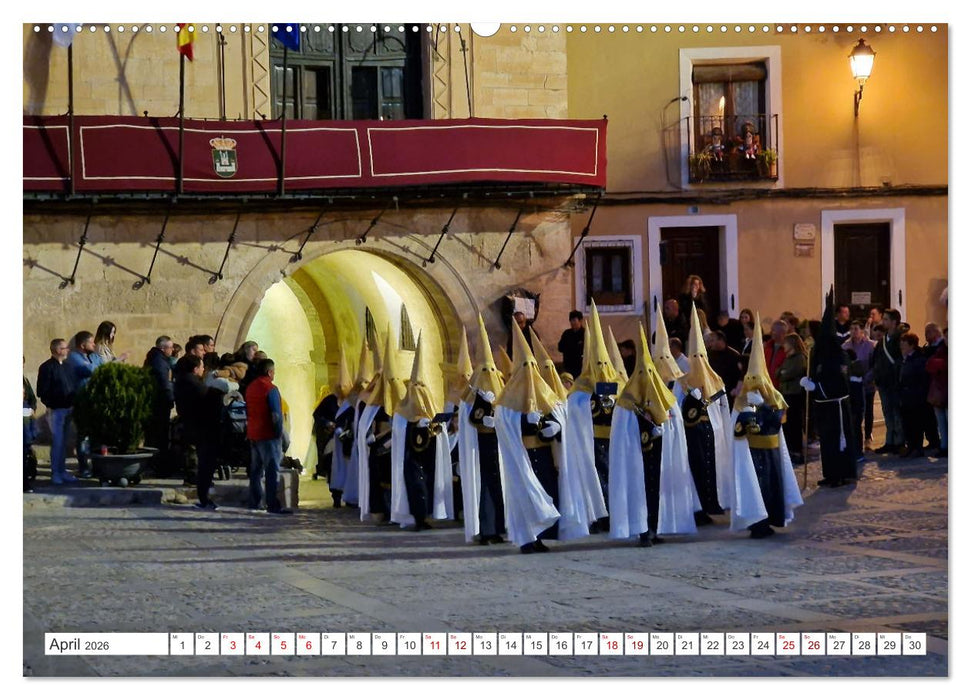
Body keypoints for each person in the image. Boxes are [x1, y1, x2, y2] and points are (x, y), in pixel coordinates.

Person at [495, 322, 586, 553]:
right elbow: (504, 424)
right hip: (523, 457)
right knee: (526, 496)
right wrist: (524, 421)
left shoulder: (544, 392)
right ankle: (526, 539)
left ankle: (540, 536)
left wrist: (556, 427)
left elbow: (557, 413)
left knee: (545, 493)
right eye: (525, 366)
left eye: (532, 366)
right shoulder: (506, 400)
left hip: (543, 453)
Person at [609, 323, 699, 547]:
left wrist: (663, 429)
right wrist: (644, 429)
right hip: (636, 456)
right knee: (639, 492)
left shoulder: (664, 396)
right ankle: (642, 531)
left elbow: (673, 419)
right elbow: (623, 429)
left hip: (657, 454)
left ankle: (655, 527)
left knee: (655, 491)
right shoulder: (626, 401)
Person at [732, 313, 804, 538]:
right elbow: (738, 429)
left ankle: (770, 520)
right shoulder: (743, 401)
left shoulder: (774, 398)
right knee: (754, 489)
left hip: (770, 453)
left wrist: (764, 408)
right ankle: (756, 523)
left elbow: (778, 420)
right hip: (752, 455)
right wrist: (748, 413)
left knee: (771, 489)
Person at [391, 335, 454, 530]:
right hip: (410, 457)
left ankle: (425, 516)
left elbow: (439, 431)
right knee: (415, 486)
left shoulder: (430, 409)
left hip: (427, 457)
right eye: (415, 387)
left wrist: (435, 427)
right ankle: (416, 518)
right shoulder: (401, 412)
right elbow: (399, 432)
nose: (418, 392)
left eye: (422, 387)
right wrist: (413, 425)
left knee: (426, 485)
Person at [564, 301, 614, 534]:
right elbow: (575, 409)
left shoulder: (614, 385)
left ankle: (613, 514)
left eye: (604, 363)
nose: (601, 368)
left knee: (612, 476)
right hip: (589, 442)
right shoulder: (579, 390)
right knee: (595, 477)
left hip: (612, 441)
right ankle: (597, 515)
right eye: (597, 364)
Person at [458, 317, 508, 545]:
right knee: (483, 487)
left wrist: (497, 420)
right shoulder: (468, 398)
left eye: (491, 369)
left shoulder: (502, 392)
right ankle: (485, 530)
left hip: (498, 447)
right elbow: (468, 422)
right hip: (478, 449)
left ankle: (499, 528)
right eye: (484, 370)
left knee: (499, 486)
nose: (489, 374)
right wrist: (480, 408)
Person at [800, 291, 858, 486]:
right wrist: (810, 382)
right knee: (827, 440)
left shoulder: (839, 355)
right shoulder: (819, 354)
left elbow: (840, 382)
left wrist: (817, 386)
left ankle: (841, 474)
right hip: (823, 406)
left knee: (837, 441)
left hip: (836, 406)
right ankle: (830, 473)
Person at [356, 327, 407, 524]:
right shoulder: (372, 406)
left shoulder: (401, 402)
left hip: (397, 449)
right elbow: (366, 427)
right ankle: (380, 510)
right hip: (380, 450)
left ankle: (399, 511)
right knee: (380, 481)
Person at [174, 354, 224, 510]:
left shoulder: (180, 382)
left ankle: (203, 496)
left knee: (202, 462)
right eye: (201, 367)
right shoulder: (194, 384)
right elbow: (209, 399)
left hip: (191, 426)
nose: (203, 369)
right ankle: (204, 497)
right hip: (204, 428)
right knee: (206, 464)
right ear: (195, 369)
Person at [245, 358, 290, 514]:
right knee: (272, 470)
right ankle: (272, 504)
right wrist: (278, 434)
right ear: (270, 372)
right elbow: (276, 415)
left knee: (256, 471)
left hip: (253, 433)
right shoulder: (270, 389)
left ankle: (255, 501)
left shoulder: (251, 387)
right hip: (268, 434)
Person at [37, 339, 77, 484]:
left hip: (69, 409)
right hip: (56, 411)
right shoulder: (47, 367)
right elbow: (42, 391)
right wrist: (51, 404)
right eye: (65, 348)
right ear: (57, 350)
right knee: (57, 442)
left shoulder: (67, 366)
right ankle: (55, 473)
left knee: (64, 442)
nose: (68, 350)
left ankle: (62, 471)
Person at [66, 330, 103, 477]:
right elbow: (90, 370)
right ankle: (84, 468)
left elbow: (102, 367)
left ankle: (98, 466)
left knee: (97, 436)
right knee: (83, 435)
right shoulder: (74, 357)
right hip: (81, 402)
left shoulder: (92, 356)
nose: (94, 345)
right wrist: (97, 367)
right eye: (91, 342)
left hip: (95, 401)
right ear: (82, 344)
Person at [872, 310, 905, 454]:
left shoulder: (901, 339)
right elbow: (877, 360)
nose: (883, 322)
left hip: (896, 382)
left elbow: (902, 359)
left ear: (894, 322)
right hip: (883, 382)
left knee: (897, 413)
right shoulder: (883, 340)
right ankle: (889, 441)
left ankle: (899, 442)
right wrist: (876, 376)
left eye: (886, 319)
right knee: (887, 413)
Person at [843, 321, 877, 450]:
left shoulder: (870, 345)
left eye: (856, 328)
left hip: (867, 384)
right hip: (852, 386)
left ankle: (868, 437)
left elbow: (874, 365)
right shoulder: (845, 346)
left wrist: (866, 378)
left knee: (868, 411)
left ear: (862, 330)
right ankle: (855, 438)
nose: (853, 331)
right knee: (855, 413)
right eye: (851, 328)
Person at [144, 335, 176, 472]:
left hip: (155, 401)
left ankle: (152, 463)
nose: (172, 350)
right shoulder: (160, 361)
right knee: (159, 435)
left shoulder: (155, 358)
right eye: (170, 347)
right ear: (163, 348)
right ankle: (159, 465)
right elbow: (164, 383)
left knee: (153, 434)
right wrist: (170, 398)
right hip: (160, 402)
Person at [776, 333, 808, 465]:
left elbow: (789, 373)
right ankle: (790, 450)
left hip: (795, 393)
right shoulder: (788, 358)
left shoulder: (799, 358)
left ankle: (797, 451)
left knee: (795, 423)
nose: (784, 345)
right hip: (786, 393)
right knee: (788, 424)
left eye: (786, 343)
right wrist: (782, 372)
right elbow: (778, 373)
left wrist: (783, 373)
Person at [898, 333, 931, 458]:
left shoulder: (919, 359)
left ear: (912, 345)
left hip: (916, 397)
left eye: (904, 343)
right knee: (907, 423)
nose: (901, 345)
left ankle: (917, 447)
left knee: (916, 423)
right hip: (905, 396)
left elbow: (922, 380)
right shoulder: (904, 359)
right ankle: (910, 446)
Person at [925, 327, 947, 458]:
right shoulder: (940, 350)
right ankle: (944, 446)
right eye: (946, 337)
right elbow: (929, 365)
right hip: (939, 390)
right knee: (941, 421)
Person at [707, 331, 743, 401]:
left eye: (712, 341)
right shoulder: (709, 354)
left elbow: (740, 375)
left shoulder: (734, 355)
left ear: (721, 340)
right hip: (713, 391)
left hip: (729, 392)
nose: (710, 343)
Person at [557, 310, 585, 380]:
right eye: (571, 320)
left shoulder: (585, 333)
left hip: (581, 366)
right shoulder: (567, 333)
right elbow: (560, 347)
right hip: (568, 366)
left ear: (580, 321)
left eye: (574, 320)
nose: (572, 323)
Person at [763, 320, 788, 390]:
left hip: (780, 388)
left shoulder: (787, 349)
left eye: (773, 330)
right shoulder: (767, 347)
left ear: (782, 333)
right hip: (767, 386)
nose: (771, 332)